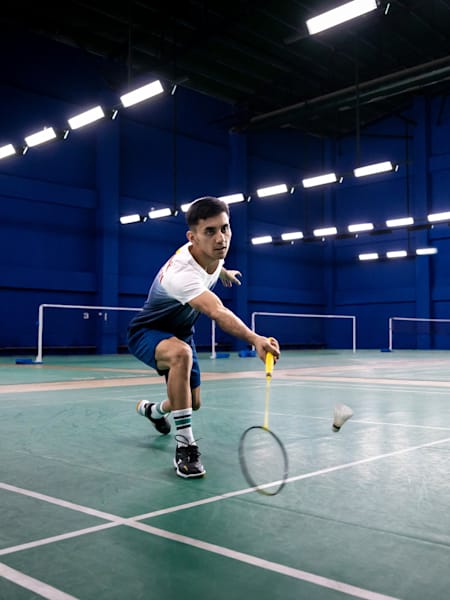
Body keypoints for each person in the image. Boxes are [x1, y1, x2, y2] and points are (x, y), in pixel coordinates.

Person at [127, 196, 280, 479]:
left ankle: (155, 412)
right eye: (210, 232)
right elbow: (217, 312)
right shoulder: (181, 275)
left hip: (182, 333)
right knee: (180, 354)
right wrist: (254, 338)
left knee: (191, 402)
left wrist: (223, 272)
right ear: (192, 237)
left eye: (225, 228)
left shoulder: (211, 253)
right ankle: (185, 447)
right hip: (147, 332)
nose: (221, 238)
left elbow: (210, 262)